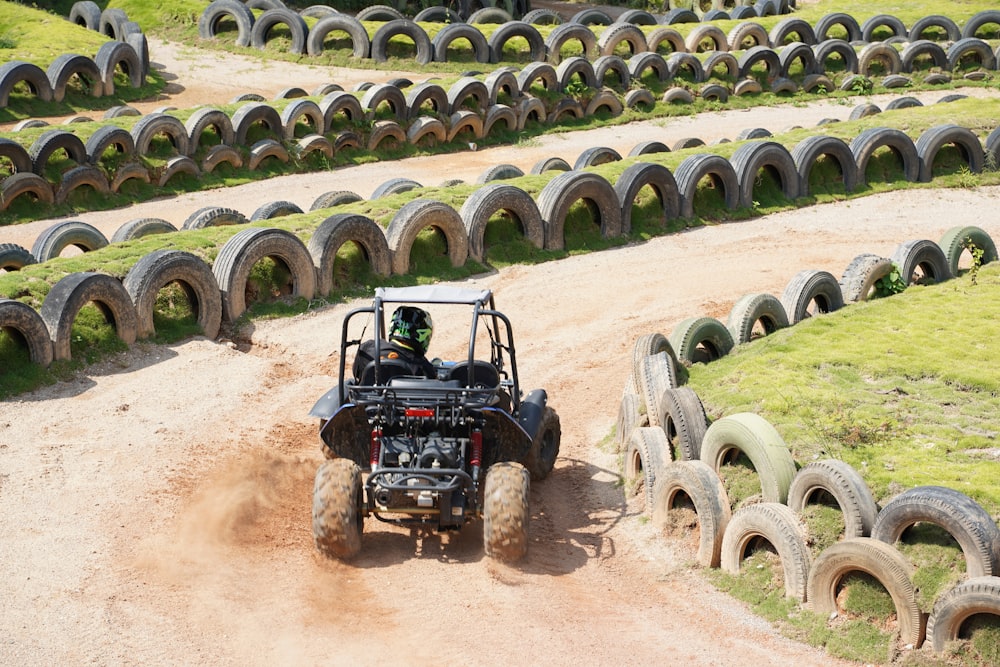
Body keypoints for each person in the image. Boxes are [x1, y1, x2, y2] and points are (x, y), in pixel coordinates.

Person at [353, 305, 436, 381]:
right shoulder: (423, 367)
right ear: (423, 334)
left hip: (368, 396)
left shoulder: (368, 348)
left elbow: (357, 376)